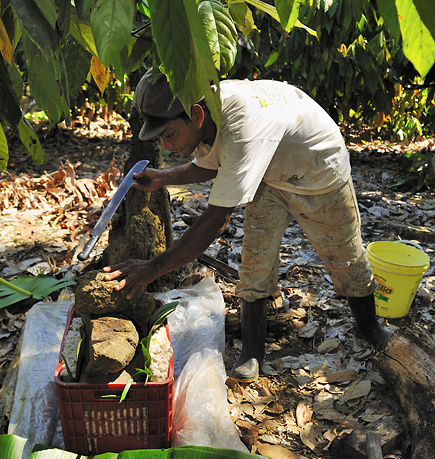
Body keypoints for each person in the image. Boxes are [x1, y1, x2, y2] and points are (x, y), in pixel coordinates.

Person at [102, 68, 392, 382]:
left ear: (196, 115)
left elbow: (216, 219)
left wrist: (153, 268)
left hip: (319, 173)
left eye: (169, 134)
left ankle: (369, 326)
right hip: (270, 174)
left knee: (344, 258)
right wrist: (164, 178)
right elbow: (214, 162)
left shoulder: (243, 126)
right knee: (255, 261)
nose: (167, 146)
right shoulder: (210, 114)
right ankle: (252, 352)